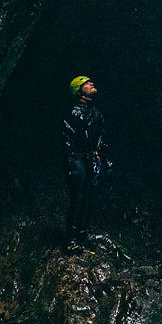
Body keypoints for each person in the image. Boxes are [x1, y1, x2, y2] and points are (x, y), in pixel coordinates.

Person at [62, 75, 110, 247]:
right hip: (77, 158)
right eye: (86, 83)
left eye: (90, 82)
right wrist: (70, 161)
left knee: (88, 196)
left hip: (90, 158)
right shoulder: (73, 113)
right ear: (79, 91)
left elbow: (101, 136)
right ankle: (71, 239)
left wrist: (102, 156)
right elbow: (66, 138)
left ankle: (82, 235)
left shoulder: (95, 112)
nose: (91, 83)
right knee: (79, 196)